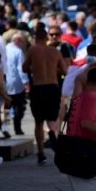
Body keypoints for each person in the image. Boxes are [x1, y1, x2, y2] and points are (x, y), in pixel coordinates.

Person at [24, 28, 68, 166]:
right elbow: (65, 70)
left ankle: (41, 153)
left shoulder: (32, 50)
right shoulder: (55, 51)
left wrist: (34, 68)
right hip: (53, 87)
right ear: (47, 37)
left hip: (38, 87)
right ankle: (53, 139)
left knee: (38, 122)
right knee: (52, 120)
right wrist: (54, 69)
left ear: (36, 37)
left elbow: (24, 68)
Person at [5, 33, 29, 136]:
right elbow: (21, 69)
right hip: (16, 83)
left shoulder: (4, 49)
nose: (24, 44)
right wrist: (26, 82)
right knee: (18, 107)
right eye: (23, 41)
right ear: (18, 41)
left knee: (5, 107)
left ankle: (4, 128)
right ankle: (17, 128)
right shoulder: (18, 52)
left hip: (4, 82)